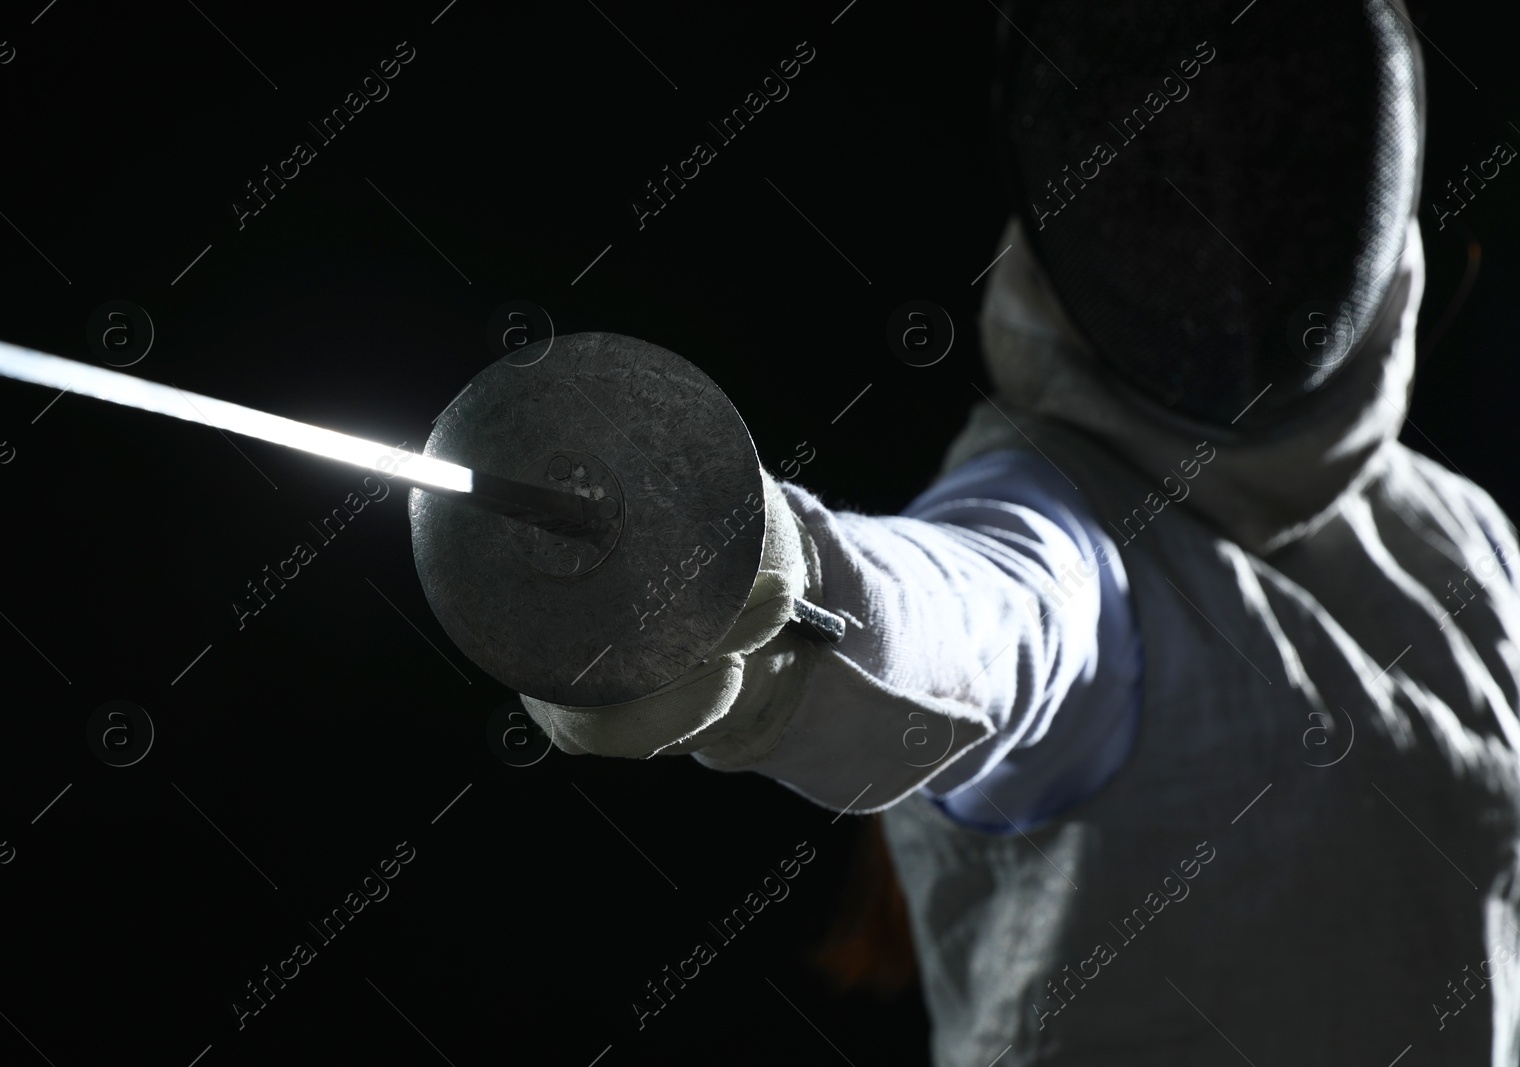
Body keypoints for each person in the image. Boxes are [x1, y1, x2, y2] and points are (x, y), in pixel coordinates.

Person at [525, 1, 1520, 1062]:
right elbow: (986, 618)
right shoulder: (1060, 515)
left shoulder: (1461, 535)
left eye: (1281, 129)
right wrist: (766, 598)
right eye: (1151, 141)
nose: (1219, 197)